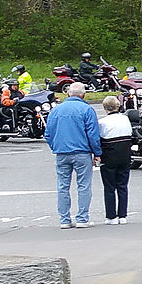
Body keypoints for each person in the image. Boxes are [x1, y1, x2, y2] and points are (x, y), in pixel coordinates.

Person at [44, 81, 100, 228]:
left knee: (62, 186)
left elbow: (48, 133)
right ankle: (82, 218)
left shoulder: (55, 110)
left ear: (68, 93)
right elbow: (93, 134)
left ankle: (64, 220)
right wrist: (97, 152)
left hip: (62, 152)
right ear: (83, 94)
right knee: (84, 186)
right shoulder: (87, 109)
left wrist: (55, 146)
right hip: (82, 152)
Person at [98, 96, 133, 224]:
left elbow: (99, 138)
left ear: (105, 108)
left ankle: (111, 216)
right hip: (125, 154)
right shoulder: (125, 119)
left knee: (109, 186)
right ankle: (123, 215)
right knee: (123, 185)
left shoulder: (102, 122)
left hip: (109, 156)